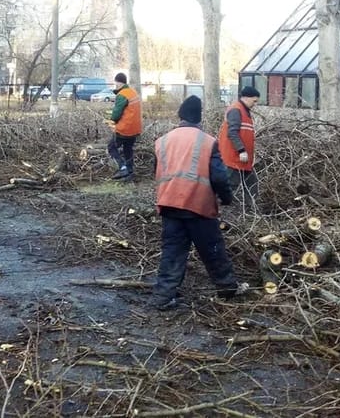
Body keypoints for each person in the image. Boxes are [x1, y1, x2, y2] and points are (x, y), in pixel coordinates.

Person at [151, 95, 243, 310]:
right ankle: (227, 289)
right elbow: (219, 176)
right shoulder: (207, 141)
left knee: (172, 252)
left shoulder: (162, 140)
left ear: (180, 116)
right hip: (197, 205)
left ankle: (163, 297)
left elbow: (157, 171)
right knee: (212, 248)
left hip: (168, 203)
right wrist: (227, 198)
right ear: (199, 119)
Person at [217, 85, 261, 209]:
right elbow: (232, 132)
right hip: (233, 158)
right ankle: (221, 211)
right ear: (246, 98)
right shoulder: (236, 110)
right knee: (230, 186)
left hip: (244, 160)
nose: (255, 104)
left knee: (251, 183)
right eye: (254, 101)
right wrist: (241, 150)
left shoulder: (245, 112)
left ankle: (252, 211)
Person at [106, 72, 142, 180]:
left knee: (111, 147)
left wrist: (111, 121)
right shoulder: (133, 92)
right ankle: (130, 172)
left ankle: (122, 168)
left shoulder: (122, 95)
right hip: (135, 129)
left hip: (124, 129)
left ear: (117, 82)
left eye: (115, 83)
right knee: (128, 149)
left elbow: (117, 113)